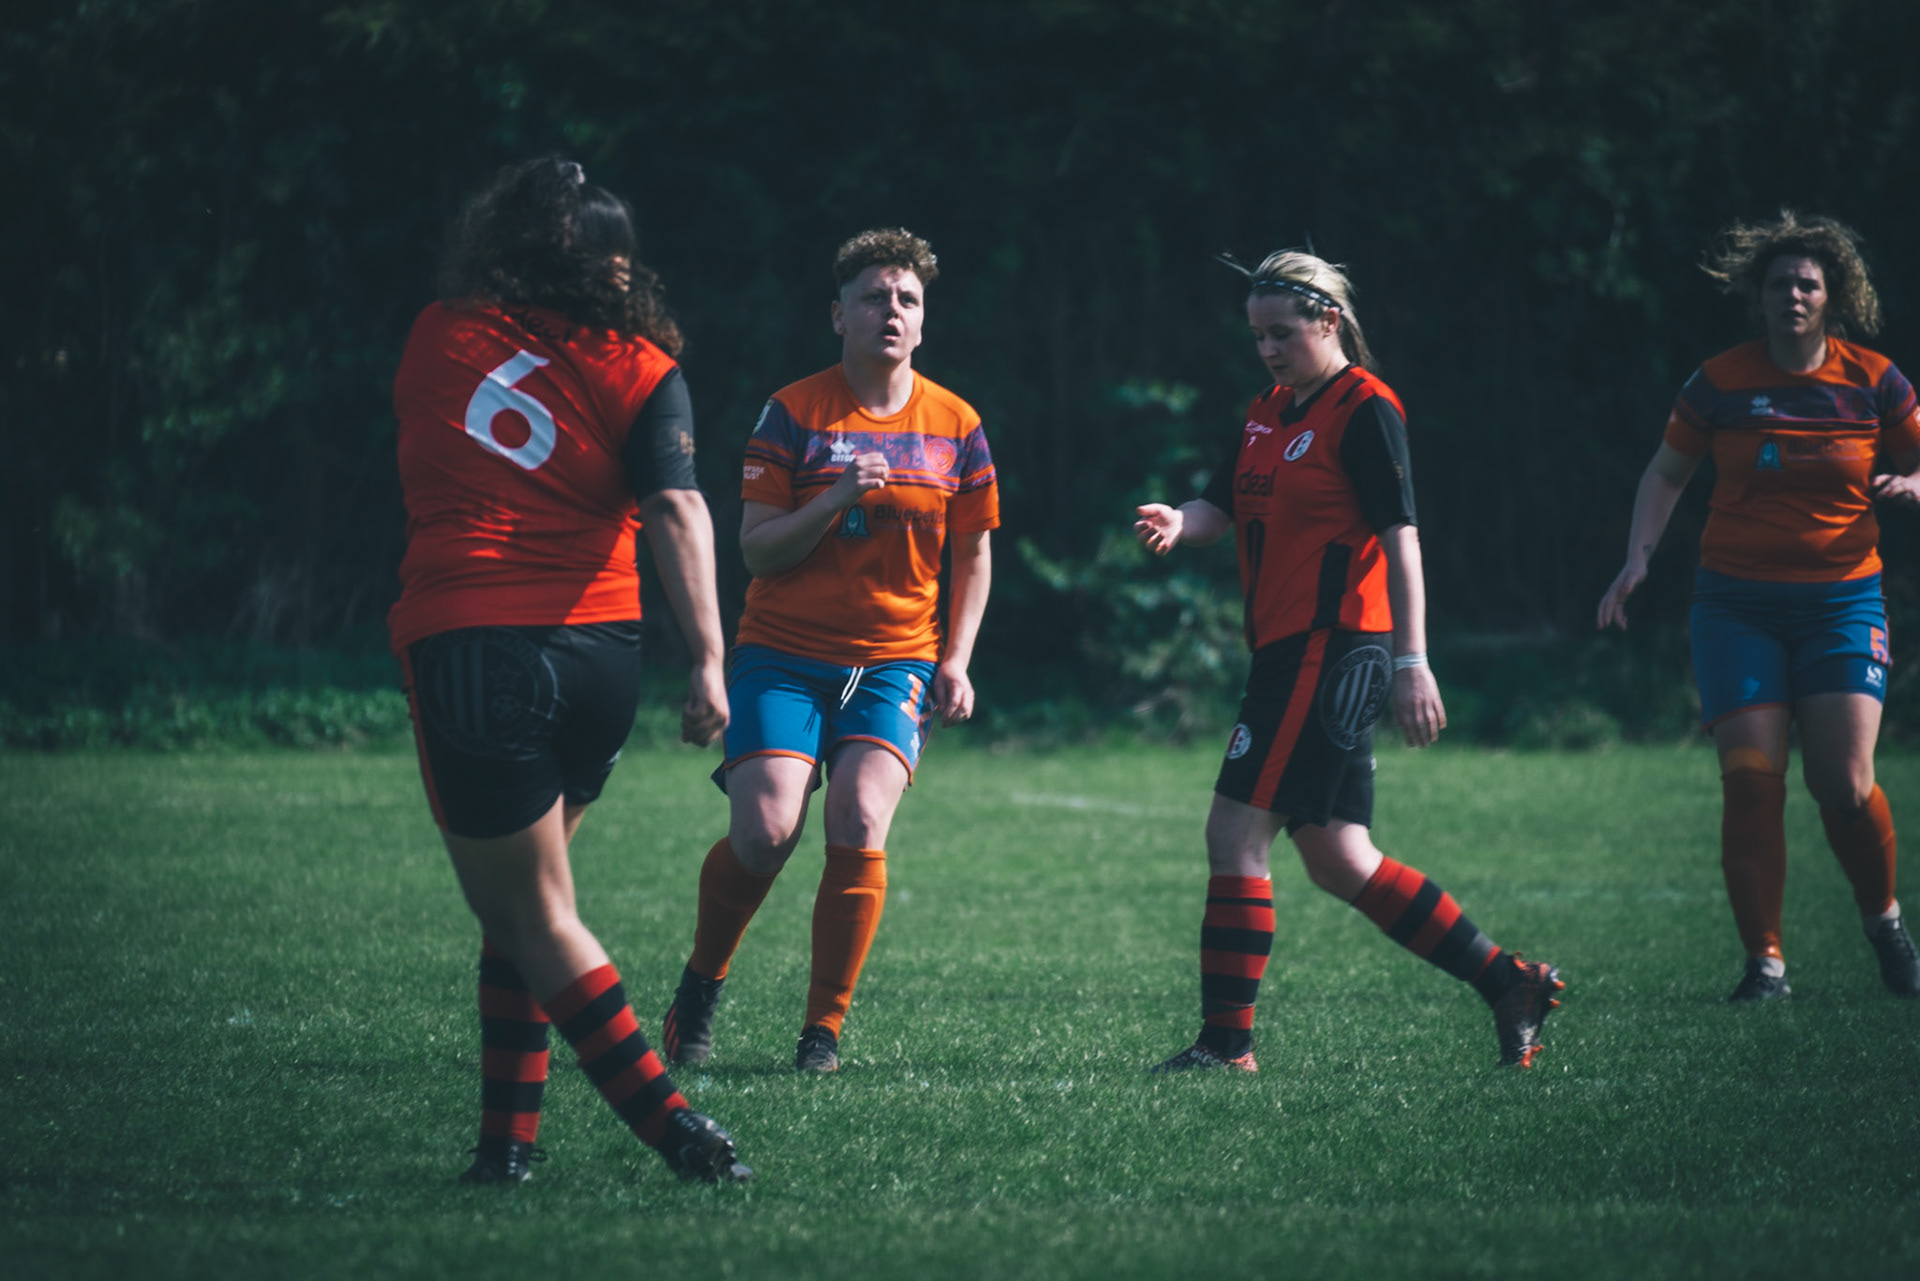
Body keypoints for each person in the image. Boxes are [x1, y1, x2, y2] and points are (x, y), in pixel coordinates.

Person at [387, 156, 750, 1183]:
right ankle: (505, 1149)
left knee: (534, 914)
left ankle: (677, 1129)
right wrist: (709, 659)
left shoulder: (437, 332)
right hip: (601, 660)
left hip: (479, 649)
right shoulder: (644, 365)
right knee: (522, 914)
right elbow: (676, 506)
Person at [1134, 249, 1563, 1071]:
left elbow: (1402, 540)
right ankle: (1510, 981)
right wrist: (1180, 521)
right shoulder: (1267, 410)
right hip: (1287, 650)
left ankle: (1226, 1046)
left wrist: (1413, 660)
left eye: (1282, 333)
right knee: (1340, 858)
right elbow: (1221, 505)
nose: (1267, 349)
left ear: (1329, 320)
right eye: (1258, 335)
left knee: (1234, 834)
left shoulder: (1365, 407)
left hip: (1330, 648)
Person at [659, 228, 997, 1074]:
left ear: (924, 320)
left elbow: (974, 552)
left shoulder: (957, 423)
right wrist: (836, 496)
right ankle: (700, 985)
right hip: (784, 653)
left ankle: (823, 1032)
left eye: (908, 299)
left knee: (859, 818)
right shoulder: (794, 412)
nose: (893, 311)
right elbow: (758, 550)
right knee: (766, 831)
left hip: (897, 661)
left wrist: (956, 658)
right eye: (875, 296)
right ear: (838, 314)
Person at [1598, 210, 1920, 1002]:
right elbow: (1666, 472)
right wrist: (1638, 558)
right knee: (1750, 779)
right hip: (1736, 606)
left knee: (1844, 786)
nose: (1794, 295)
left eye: (1808, 283)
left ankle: (1885, 924)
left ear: (1833, 294)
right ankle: (1765, 964)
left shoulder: (1875, 380)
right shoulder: (1720, 381)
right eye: (1780, 284)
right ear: (1760, 296)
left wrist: (1913, 481)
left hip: (1843, 603)